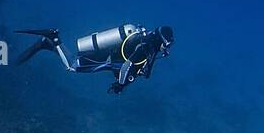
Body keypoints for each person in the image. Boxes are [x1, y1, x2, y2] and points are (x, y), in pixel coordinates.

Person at [16, 24, 174, 94]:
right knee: (72, 66)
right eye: (167, 43)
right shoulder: (146, 47)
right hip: (105, 59)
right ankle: (53, 39)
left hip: (107, 58)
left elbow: (140, 70)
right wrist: (120, 84)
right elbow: (127, 65)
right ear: (161, 39)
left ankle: (48, 45)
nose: (167, 48)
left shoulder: (148, 44)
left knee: (73, 60)